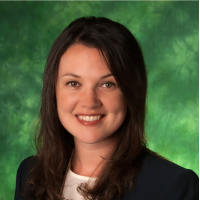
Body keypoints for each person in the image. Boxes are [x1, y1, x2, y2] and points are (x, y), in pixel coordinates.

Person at [14, 16, 198, 200]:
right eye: (73, 83)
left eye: (107, 84)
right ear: (53, 90)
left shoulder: (173, 186)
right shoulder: (30, 174)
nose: (89, 102)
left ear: (131, 92)